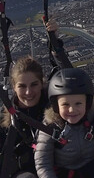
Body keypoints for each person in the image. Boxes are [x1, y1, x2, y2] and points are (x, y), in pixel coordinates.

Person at [0, 19, 71, 178]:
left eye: (33, 85)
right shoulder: (8, 124)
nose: (28, 92)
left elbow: (71, 80)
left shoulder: (55, 106)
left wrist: (55, 45)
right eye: (22, 86)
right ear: (13, 88)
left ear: (42, 83)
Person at [34, 68, 94, 178]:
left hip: (91, 166)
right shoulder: (50, 126)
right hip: (63, 172)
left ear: (87, 103)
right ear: (56, 106)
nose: (72, 110)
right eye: (65, 104)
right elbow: (43, 163)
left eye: (78, 103)